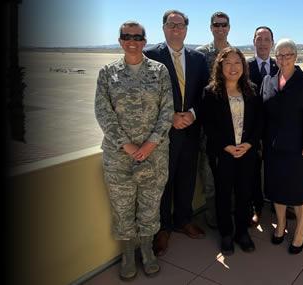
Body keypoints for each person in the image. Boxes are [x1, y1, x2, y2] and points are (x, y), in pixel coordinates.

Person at [94, 20, 174, 280]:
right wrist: (127, 146)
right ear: (120, 40)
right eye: (126, 36)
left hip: (155, 155)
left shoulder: (159, 71)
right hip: (119, 158)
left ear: (144, 41)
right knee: (123, 207)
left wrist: (150, 143)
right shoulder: (108, 72)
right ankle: (129, 254)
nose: (132, 41)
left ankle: (147, 251)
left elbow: (167, 110)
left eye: (137, 37)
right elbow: (103, 112)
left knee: (150, 206)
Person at [143, 9, 210, 257]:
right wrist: (169, 117)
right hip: (162, 132)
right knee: (164, 179)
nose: (176, 29)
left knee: (187, 176)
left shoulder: (198, 58)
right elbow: (145, 97)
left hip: (191, 128)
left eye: (180, 25)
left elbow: (205, 94)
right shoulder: (150, 55)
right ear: (163, 28)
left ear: (186, 29)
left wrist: (192, 113)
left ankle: (184, 220)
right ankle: (163, 229)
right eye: (171, 25)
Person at [200, 47, 263, 255]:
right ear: (220, 66)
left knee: (244, 193)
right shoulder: (211, 92)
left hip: (246, 153)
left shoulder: (252, 90)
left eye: (237, 63)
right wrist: (225, 146)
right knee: (223, 194)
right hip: (222, 153)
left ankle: (242, 232)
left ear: (243, 67)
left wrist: (249, 144)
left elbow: (258, 124)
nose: (233, 67)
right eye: (228, 63)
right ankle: (226, 233)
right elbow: (208, 124)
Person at [261, 39, 303, 255]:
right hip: (273, 147)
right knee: (277, 189)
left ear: (296, 56)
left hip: (300, 148)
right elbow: (263, 114)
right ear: (275, 58)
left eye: (288, 55)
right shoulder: (268, 80)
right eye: (280, 55)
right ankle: (281, 224)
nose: (284, 59)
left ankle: (300, 230)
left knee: (300, 191)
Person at [195, 11, 233, 229]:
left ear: (229, 27)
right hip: (207, 127)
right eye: (216, 25)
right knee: (209, 174)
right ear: (211, 27)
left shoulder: (234, 54)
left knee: (230, 173)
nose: (220, 28)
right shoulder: (201, 55)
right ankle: (213, 215)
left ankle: (230, 211)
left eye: (224, 25)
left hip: (231, 126)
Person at [246, 26, 282, 227]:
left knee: (276, 170)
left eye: (266, 39)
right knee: (252, 172)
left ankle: (280, 206)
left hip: (275, 132)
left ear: (272, 42)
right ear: (254, 42)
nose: (262, 43)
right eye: (259, 39)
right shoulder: (245, 66)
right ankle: (256, 208)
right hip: (251, 130)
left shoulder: (280, 66)